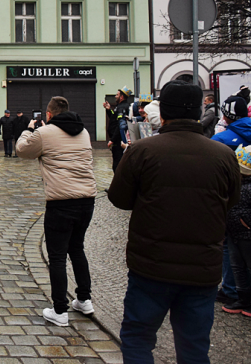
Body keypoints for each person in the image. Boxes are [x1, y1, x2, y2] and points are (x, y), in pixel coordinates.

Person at [107, 80, 241, 363]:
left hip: (151, 266)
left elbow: (119, 198)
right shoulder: (224, 156)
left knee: (137, 339)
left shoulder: (142, 151)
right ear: (196, 113)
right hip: (201, 269)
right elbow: (230, 201)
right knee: (194, 349)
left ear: (163, 112)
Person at [16, 96, 97, 327]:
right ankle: (84, 299)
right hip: (87, 200)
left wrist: (27, 130)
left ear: (49, 114)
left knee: (58, 256)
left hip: (61, 202)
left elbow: (23, 151)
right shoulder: (84, 132)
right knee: (77, 249)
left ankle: (60, 310)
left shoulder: (44, 133)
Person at [222, 145, 251, 317]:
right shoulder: (235, 184)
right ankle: (242, 297)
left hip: (246, 233)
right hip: (233, 231)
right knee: (237, 266)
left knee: (247, 266)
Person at [103, 86, 132, 172]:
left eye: (117, 95)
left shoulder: (122, 108)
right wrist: (109, 110)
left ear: (121, 97)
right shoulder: (119, 107)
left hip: (119, 141)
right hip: (118, 141)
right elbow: (114, 119)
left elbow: (120, 126)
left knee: (117, 165)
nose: (115, 96)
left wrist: (112, 139)